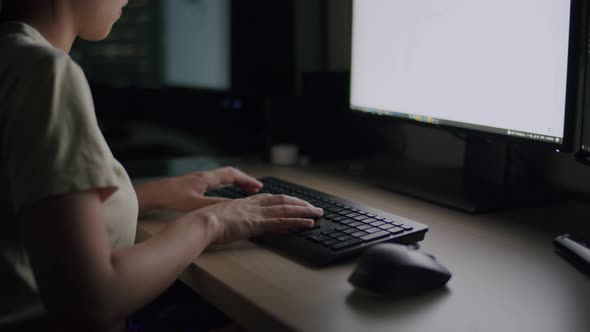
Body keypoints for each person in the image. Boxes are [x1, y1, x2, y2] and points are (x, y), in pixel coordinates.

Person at [0, 1, 323, 331]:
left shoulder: (12, 55)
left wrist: (153, 195)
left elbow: (30, 216)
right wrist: (214, 221)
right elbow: (92, 301)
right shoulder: (45, 71)